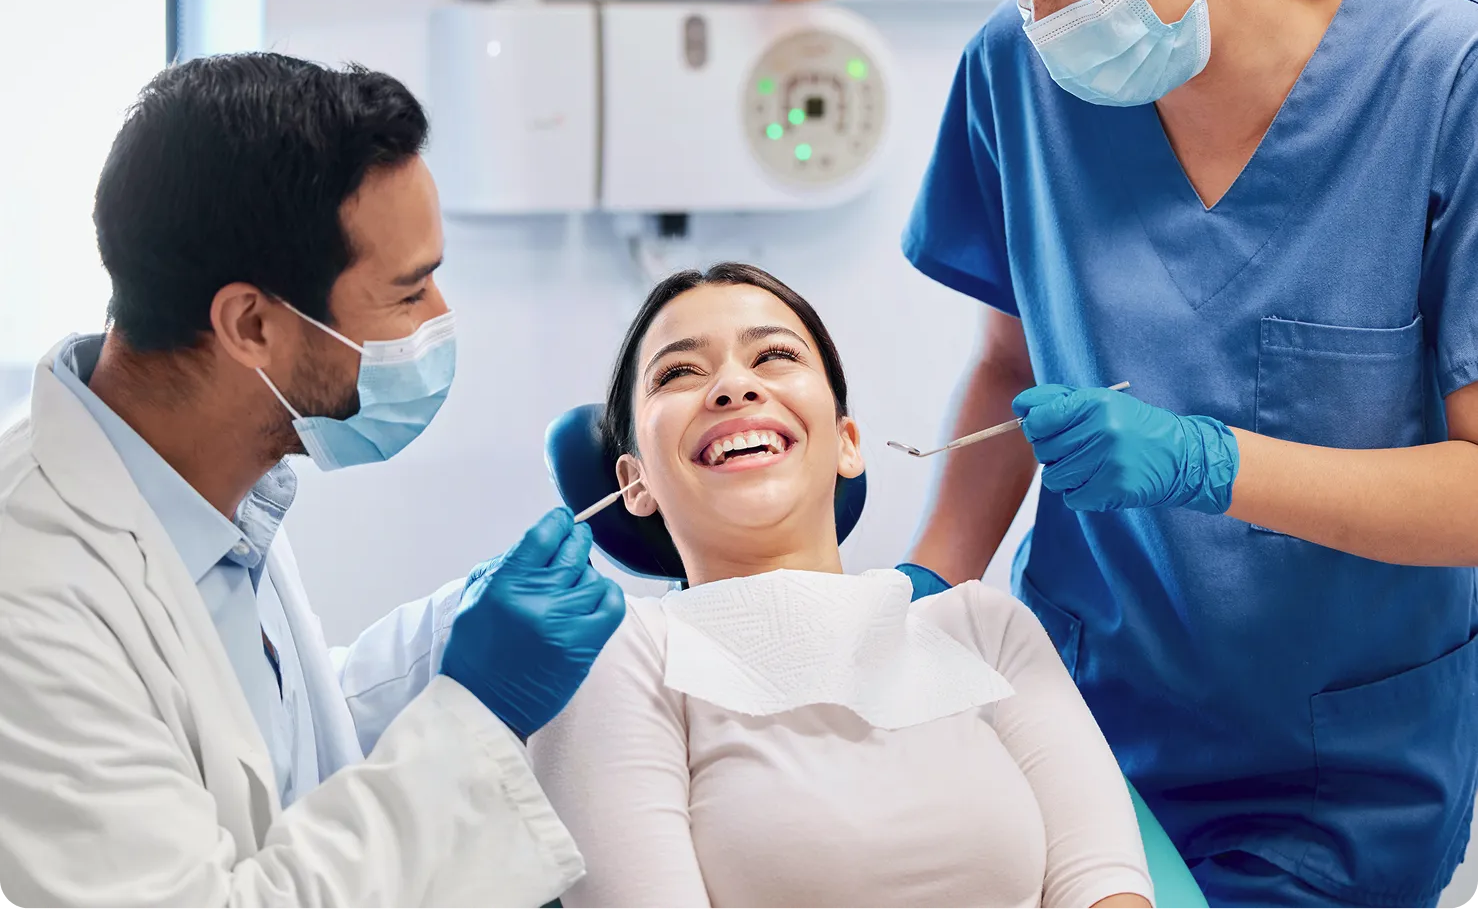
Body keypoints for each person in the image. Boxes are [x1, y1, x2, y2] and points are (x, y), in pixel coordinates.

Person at [901, 0, 1478, 907]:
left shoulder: (1441, 86)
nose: (1044, 22)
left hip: (1337, 771)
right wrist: (929, 584)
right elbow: (1004, 363)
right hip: (1072, 721)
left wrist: (1208, 467)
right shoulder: (1013, 77)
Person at [0, 54, 626, 909]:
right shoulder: (29, 598)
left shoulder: (198, 479)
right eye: (408, 294)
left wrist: (450, 640)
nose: (441, 320)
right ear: (252, 324)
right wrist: (480, 707)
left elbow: (262, 744)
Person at [528, 262, 1154, 909]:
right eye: (680, 372)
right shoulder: (618, 654)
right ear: (636, 483)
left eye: (774, 355)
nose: (733, 386)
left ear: (847, 443)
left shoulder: (984, 628)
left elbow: (1106, 888)